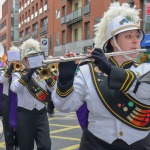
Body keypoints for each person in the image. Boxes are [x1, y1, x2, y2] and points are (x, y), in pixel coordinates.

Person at [52, 2, 150, 150]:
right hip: (96, 144)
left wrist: (110, 70)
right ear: (113, 41)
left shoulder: (145, 69)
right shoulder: (88, 70)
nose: (136, 41)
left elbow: (144, 90)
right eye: (128, 36)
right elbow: (64, 107)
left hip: (139, 144)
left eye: (137, 36)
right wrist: (65, 81)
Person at [10, 38, 55, 150]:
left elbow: (54, 89)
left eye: (34, 57)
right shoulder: (18, 74)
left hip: (41, 114)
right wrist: (28, 74)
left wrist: (49, 80)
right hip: (25, 115)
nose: (32, 61)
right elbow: (14, 88)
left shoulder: (43, 72)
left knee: (45, 145)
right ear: (24, 60)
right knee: (26, 147)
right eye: (29, 58)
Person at [0, 46, 19, 150]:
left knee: (20, 128)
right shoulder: (3, 69)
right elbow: (2, 80)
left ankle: (19, 145)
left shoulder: (22, 69)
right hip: (7, 101)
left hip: (19, 101)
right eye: (11, 57)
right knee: (8, 130)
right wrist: (10, 68)